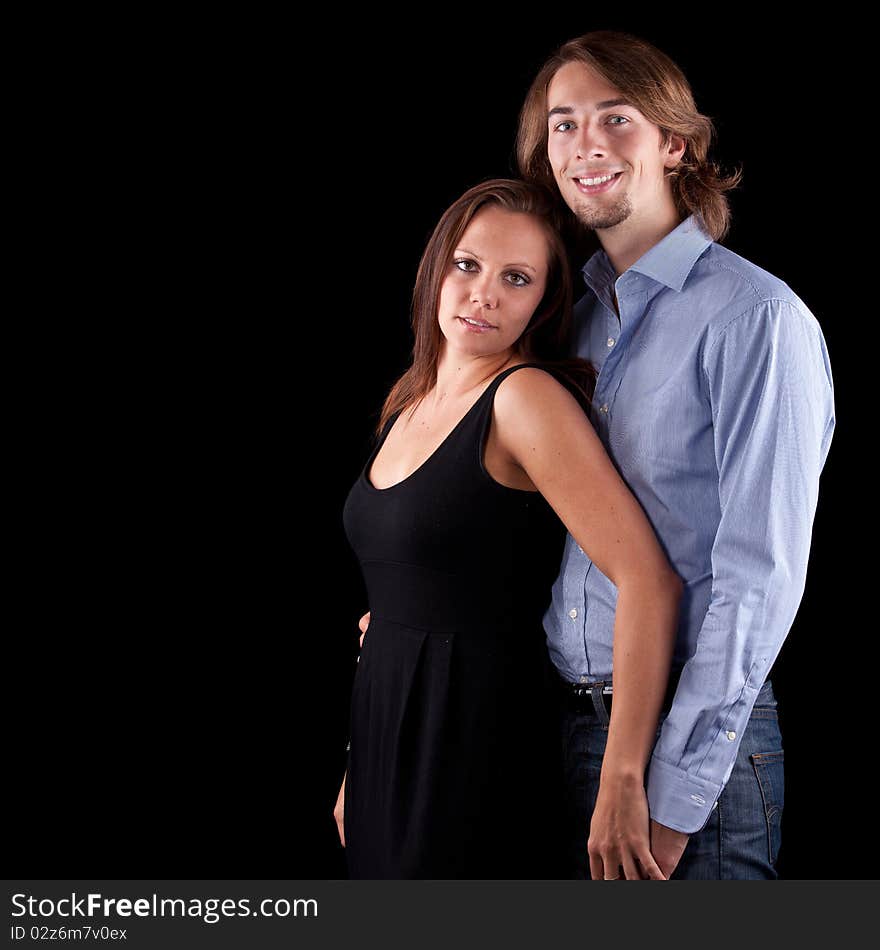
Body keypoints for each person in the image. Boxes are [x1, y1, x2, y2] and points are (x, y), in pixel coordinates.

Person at [509, 30, 835, 879]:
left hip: (692, 743)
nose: (585, 146)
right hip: (573, 728)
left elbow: (760, 576)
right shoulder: (570, 320)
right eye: (563, 124)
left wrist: (677, 791)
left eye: (614, 119)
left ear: (674, 143)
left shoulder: (753, 319)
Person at [336, 178, 683, 879]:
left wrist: (622, 778)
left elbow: (649, 580)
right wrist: (357, 761)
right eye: (467, 266)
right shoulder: (411, 398)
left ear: (541, 303)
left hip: (468, 735)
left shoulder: (524, 399)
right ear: (437, 268)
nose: (483, 293)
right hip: (385, 729)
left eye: (515, 279)